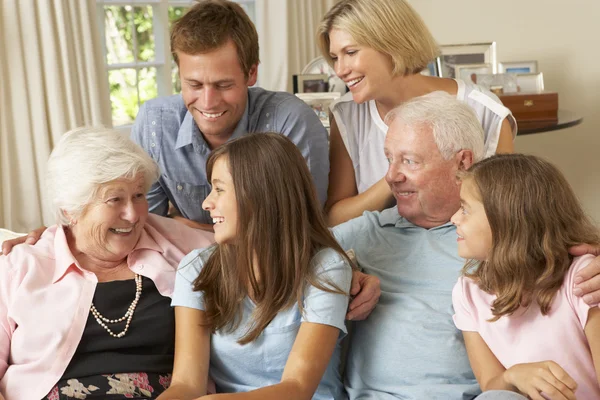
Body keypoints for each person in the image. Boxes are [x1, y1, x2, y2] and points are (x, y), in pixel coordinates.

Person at [332, 92, 555, 400]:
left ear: (462, 162)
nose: (391, 176)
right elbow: (282, 259)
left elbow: (571, 256)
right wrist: (341, 273)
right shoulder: (365, 232)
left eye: (409, 161)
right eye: (389, 159)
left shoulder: (501, 234)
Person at [0, 127, 214, 400]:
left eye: (139, 195)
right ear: (71, 209)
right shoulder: (20, 266)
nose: (134, 215)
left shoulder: (174, 242)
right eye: (115, 199)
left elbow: (250, 250)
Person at [156, 133, 353, 399]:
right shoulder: (196, 268)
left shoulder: (326, 269)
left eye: (219, 189)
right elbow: (187, 384)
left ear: (260, 194)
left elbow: (297, 388)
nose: (207, 203)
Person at [132, 0, 329, 231]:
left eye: (223, 85)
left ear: (252, 73)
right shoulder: (154, 124)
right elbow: (147, 229)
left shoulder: (292, 122)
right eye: (194, 84)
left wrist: (187, 228)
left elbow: (301, 232)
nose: (208, 102)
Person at [317, 0, 517, 226]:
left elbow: (506, 216)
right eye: (335, 57)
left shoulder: (485, 112)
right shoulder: (348, 115)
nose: (340, 70)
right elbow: (334, 218)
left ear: (391, 43)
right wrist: (398, 174)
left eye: (351, 52)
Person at [451, 154, 600, 399]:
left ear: (506, 218)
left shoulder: (584, 279)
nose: (454, 218)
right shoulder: (468, 293)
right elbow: (490, 383)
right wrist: (513, 376)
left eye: (465, 209)